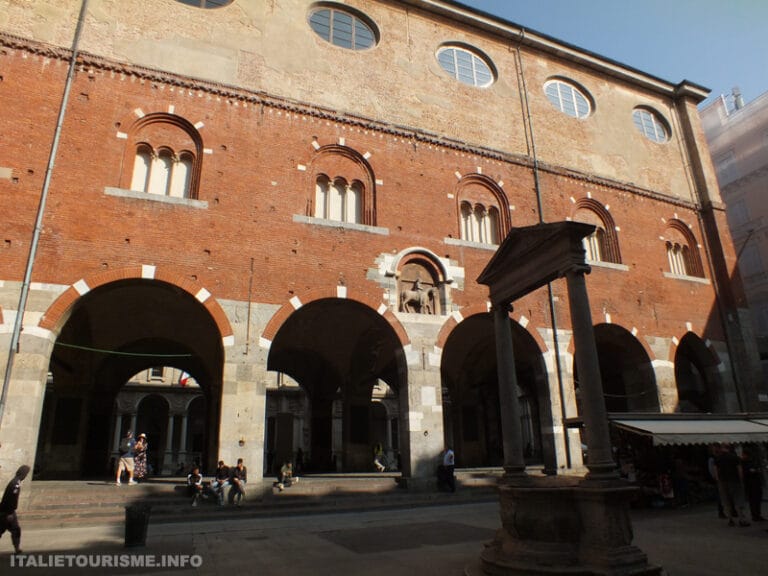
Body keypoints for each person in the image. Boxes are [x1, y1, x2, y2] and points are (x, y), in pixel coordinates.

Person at [714, 443, 750, 527]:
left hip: (723, 481)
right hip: (735, 480)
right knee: (738, 499)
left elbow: (716, 471)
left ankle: (730, 519)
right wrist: (741, 480)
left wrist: (718, 480)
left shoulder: (718, 458)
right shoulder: (735, 457)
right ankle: (742, 519)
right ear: (729, 448)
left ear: (722, 448)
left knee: (726, 500)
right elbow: (739, 470)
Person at [0, 465, 30, 555]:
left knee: (14, 530)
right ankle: (17, 549)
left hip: (6, 510)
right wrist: (9, 513)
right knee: (15, 530)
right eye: (26, 473)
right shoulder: (15, 484)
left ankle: (17, 549)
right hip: (7, 512)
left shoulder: (15, 482)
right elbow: (11, 499)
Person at [740, 446, 765, 522]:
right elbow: (751, 471)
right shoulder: (746, 462)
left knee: (755, 500)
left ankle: (756, 514)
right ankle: (755, 515)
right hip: (752, 483)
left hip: (753, 483)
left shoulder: (747, 462)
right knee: (754, 500)